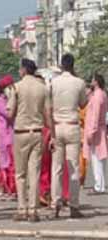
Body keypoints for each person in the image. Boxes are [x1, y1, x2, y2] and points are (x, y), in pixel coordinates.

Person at [7, 58, 51, 222]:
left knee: (20, 173)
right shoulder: (43, 88)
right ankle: (33, 210)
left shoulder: (16, 87)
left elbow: (10, 113)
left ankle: (22, 208)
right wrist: (51, 133)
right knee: (35, 172)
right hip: (38, 132)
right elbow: (48, 114)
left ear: (24, 70)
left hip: (21, 132)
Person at [50, 53, 88, 218]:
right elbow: (83, 103)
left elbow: (49, 104)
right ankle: (73, 205)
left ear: (61, 65)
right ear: (73, 65)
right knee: (74, 168)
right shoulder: (79, 82)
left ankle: (55, 203)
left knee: (56, 168)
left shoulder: (53, 82)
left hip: (57, 126)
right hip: (72, 126)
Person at [0, 76, 16, 200]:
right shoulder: (1, 101)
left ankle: (12, 190)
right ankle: (8, 190)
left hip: (12, 135)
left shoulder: (9, 100)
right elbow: (9, 115)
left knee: (12, 164)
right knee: (6, 164)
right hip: (5, 137)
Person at [85, 73, 107, 195]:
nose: (91, 81)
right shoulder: (101, 93)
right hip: (99, 129)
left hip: (96, 130)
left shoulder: (98, 95)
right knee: (100, 158)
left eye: (92, 80)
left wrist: (92, 131)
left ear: (96, 82)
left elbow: (96, 114)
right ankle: (100, 184)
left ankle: (99, 185)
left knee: (96, 158)